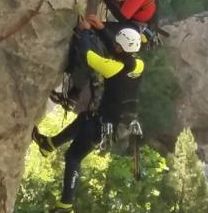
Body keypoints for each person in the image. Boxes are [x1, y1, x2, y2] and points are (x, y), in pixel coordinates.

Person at [32, 18, 144, 213]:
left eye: (117, 44)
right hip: (119, 122)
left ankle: (65, 205)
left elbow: (87, 55)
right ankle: (48, 145)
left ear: (121, 48)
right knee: (84, 118)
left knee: (74, 156)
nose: (115, 45)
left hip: (104, 125)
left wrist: (84, 32)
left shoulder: (113, 68)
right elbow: (118, 50)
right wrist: (101, 29)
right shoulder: (139, 66)